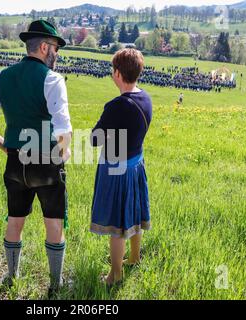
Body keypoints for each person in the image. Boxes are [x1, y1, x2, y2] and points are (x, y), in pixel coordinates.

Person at [0, 20, 72, 296]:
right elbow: (64, 128)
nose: (57, 54)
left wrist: (5, 147)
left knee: (14, 220)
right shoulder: (53, 80)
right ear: (43, 47)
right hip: (46, 160)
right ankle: (54, 285)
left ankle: (11, 276)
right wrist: (63, 154)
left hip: (16, 160)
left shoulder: (2, 76)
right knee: (53, 222)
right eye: (55, 48)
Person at [90, 48, 152, 286]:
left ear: (117, 73)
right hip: (136, 163)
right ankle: (134, 257)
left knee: (117, 224)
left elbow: (95, 139)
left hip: (117, 169)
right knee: (135, 212)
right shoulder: (145, 97)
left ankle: (115, 275)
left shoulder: (116, 106)